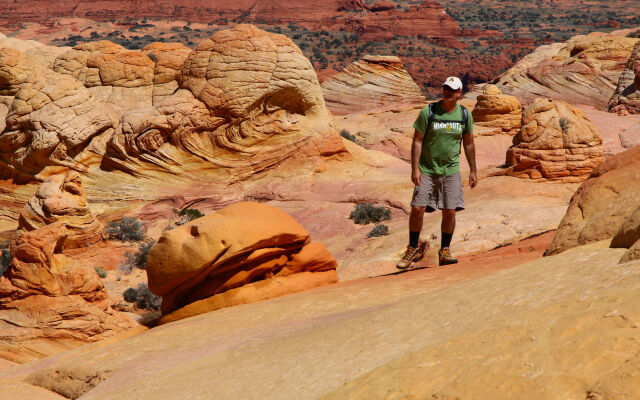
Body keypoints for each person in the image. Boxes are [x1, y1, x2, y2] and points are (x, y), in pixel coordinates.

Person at [396, 76, 477, 269]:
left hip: (451, 170)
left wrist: (473, 170)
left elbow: (468, 143)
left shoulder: (464, 115)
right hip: (427, 169)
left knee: (449, 211)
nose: (447, 91)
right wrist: (414, 168)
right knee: (417, 208)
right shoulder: (429, 111)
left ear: (459, 94)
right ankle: (413, 248)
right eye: (445, 88)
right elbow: (417, 140)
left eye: (452, 89)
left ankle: (445, 251)